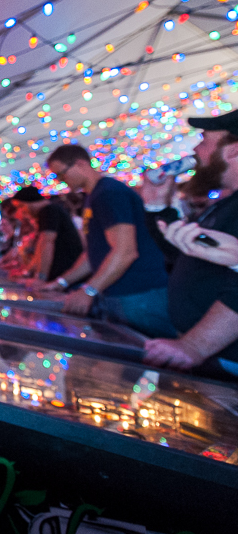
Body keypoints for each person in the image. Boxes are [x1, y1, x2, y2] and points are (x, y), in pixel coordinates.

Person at [40, 144, 174, 338]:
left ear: (80, 164)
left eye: (62, 174)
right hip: (124, 295)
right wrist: (61, 282)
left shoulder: (108, 193)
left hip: (139, 294)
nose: (61, 181)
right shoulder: (94, 196)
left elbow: (125, 251)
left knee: (148, 358)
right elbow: (94, 253)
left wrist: (89, 290)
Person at [143, 111, 238, 376]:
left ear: (233, 149)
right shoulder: (227, 203)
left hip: (225, 359)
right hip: (212, 354)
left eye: (204, 139)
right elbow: (182, 251)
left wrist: (194, 346)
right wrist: (156, 205)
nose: (196, 149)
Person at [11, 186, 83, 284]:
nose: (22, 211)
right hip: (61, 278)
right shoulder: (49, 211)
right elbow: (40, 249)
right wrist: (27, 273)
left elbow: (46, 243)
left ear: (29, 202)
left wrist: (40, 277)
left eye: (21, 206)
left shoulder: (49, 211)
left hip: (65, 279)